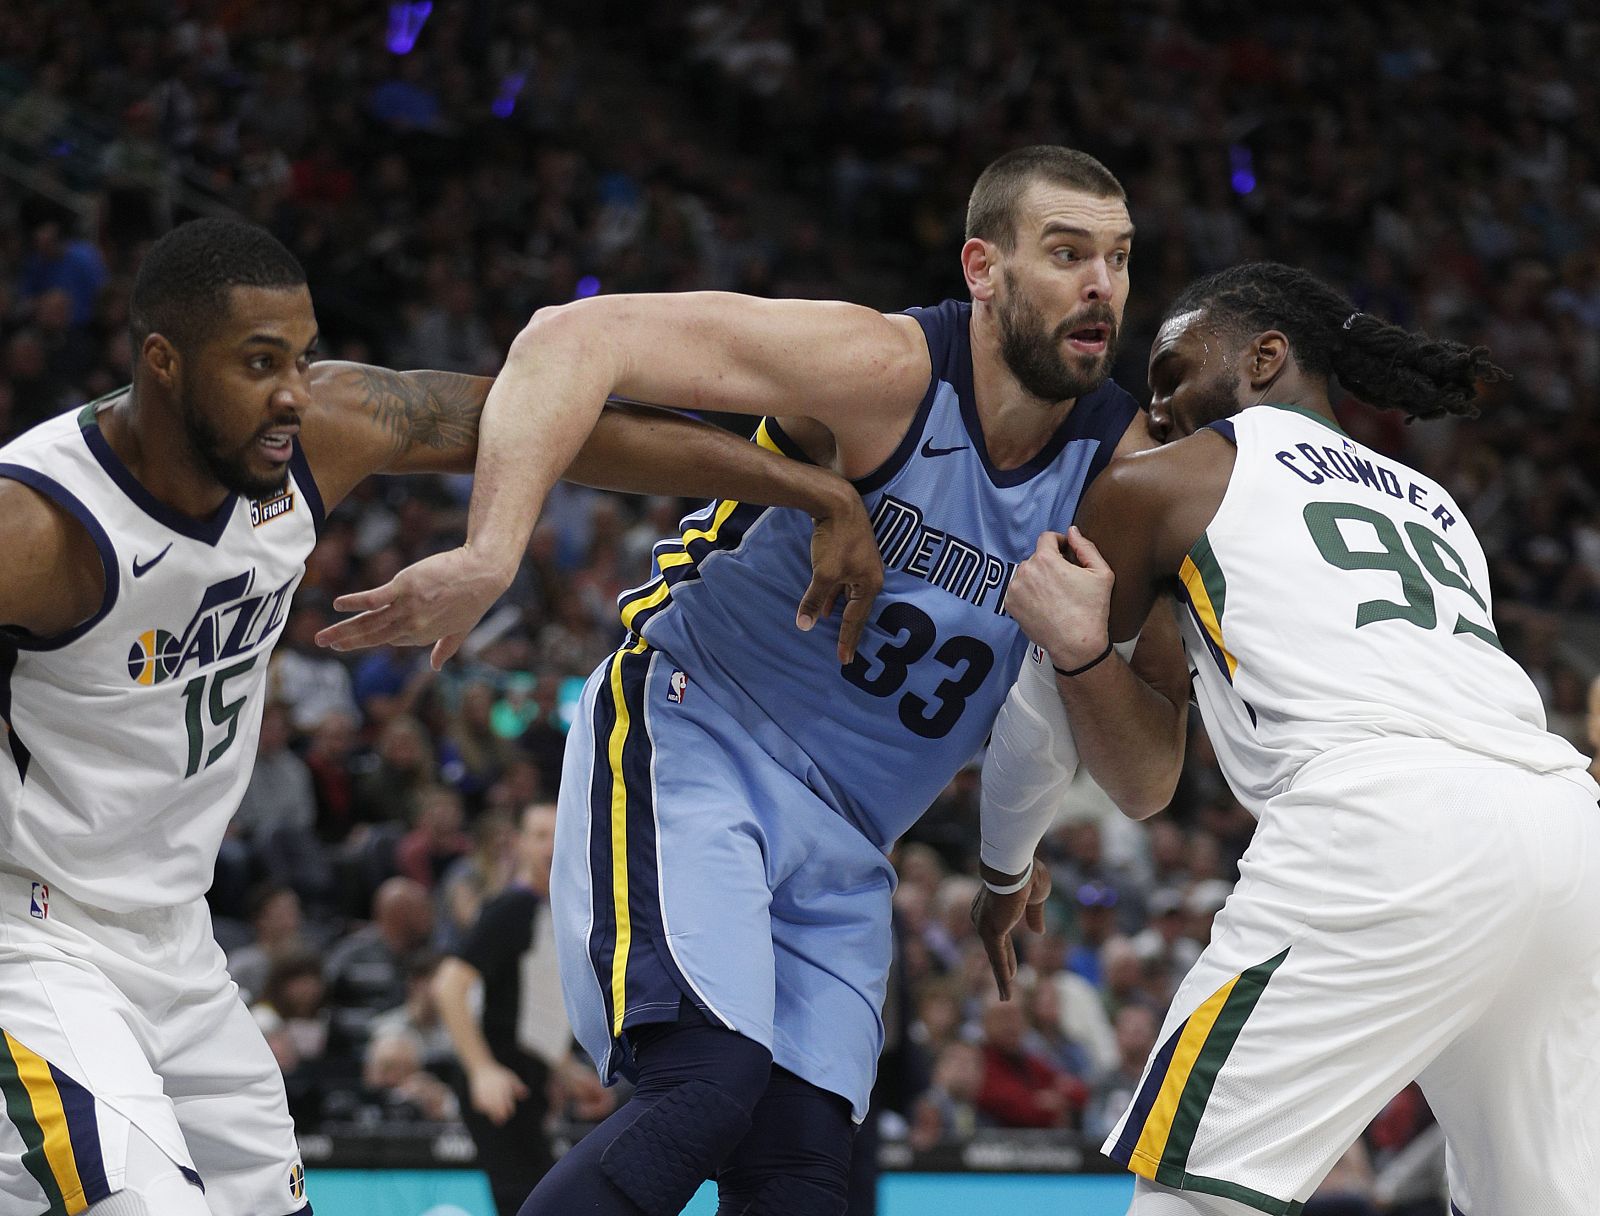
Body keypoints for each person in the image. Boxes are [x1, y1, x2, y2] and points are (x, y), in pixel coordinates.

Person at [325, 145, 1192, 1216]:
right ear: (982, 267)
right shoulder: (881, 369)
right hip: (702, 727)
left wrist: (1076, 674)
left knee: (798, 1179)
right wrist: (492, 552)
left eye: (1116, 257)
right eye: (1065, 254)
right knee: (702, 1087)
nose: (1099, 284)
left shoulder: (1125, 474)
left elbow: (1150, 777)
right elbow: (570, 336)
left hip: (852, 836)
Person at [0, 216, 884, 1216]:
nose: (293, 390)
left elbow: (554, 421)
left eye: (301, 355)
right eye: (258, 364)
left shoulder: (316, 432)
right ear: (162, 363)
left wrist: (803, 488)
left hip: (176, 940)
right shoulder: (37, 527)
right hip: (33, 942)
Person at [988, 261, 1600, 1215]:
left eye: (1172, 374)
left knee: (1195, 1185)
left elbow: (1046, 731)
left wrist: (1001, 868)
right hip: (1566, 828)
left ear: (1264, 355)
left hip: (1384, 819)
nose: (1156, 409)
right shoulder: (1436, 504)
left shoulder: (1159, 482)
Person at [433, 803, 601, 1216]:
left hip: (527, 1081)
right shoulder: (511, 908)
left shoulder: (554, 911)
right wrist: (482, 1070)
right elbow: (448, 987)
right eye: (540, 835)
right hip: (498, 1082)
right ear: (521, 845)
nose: (550, 845)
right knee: (529, 1202)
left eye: (558, 834)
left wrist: (563, 1067)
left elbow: (532, 1007)